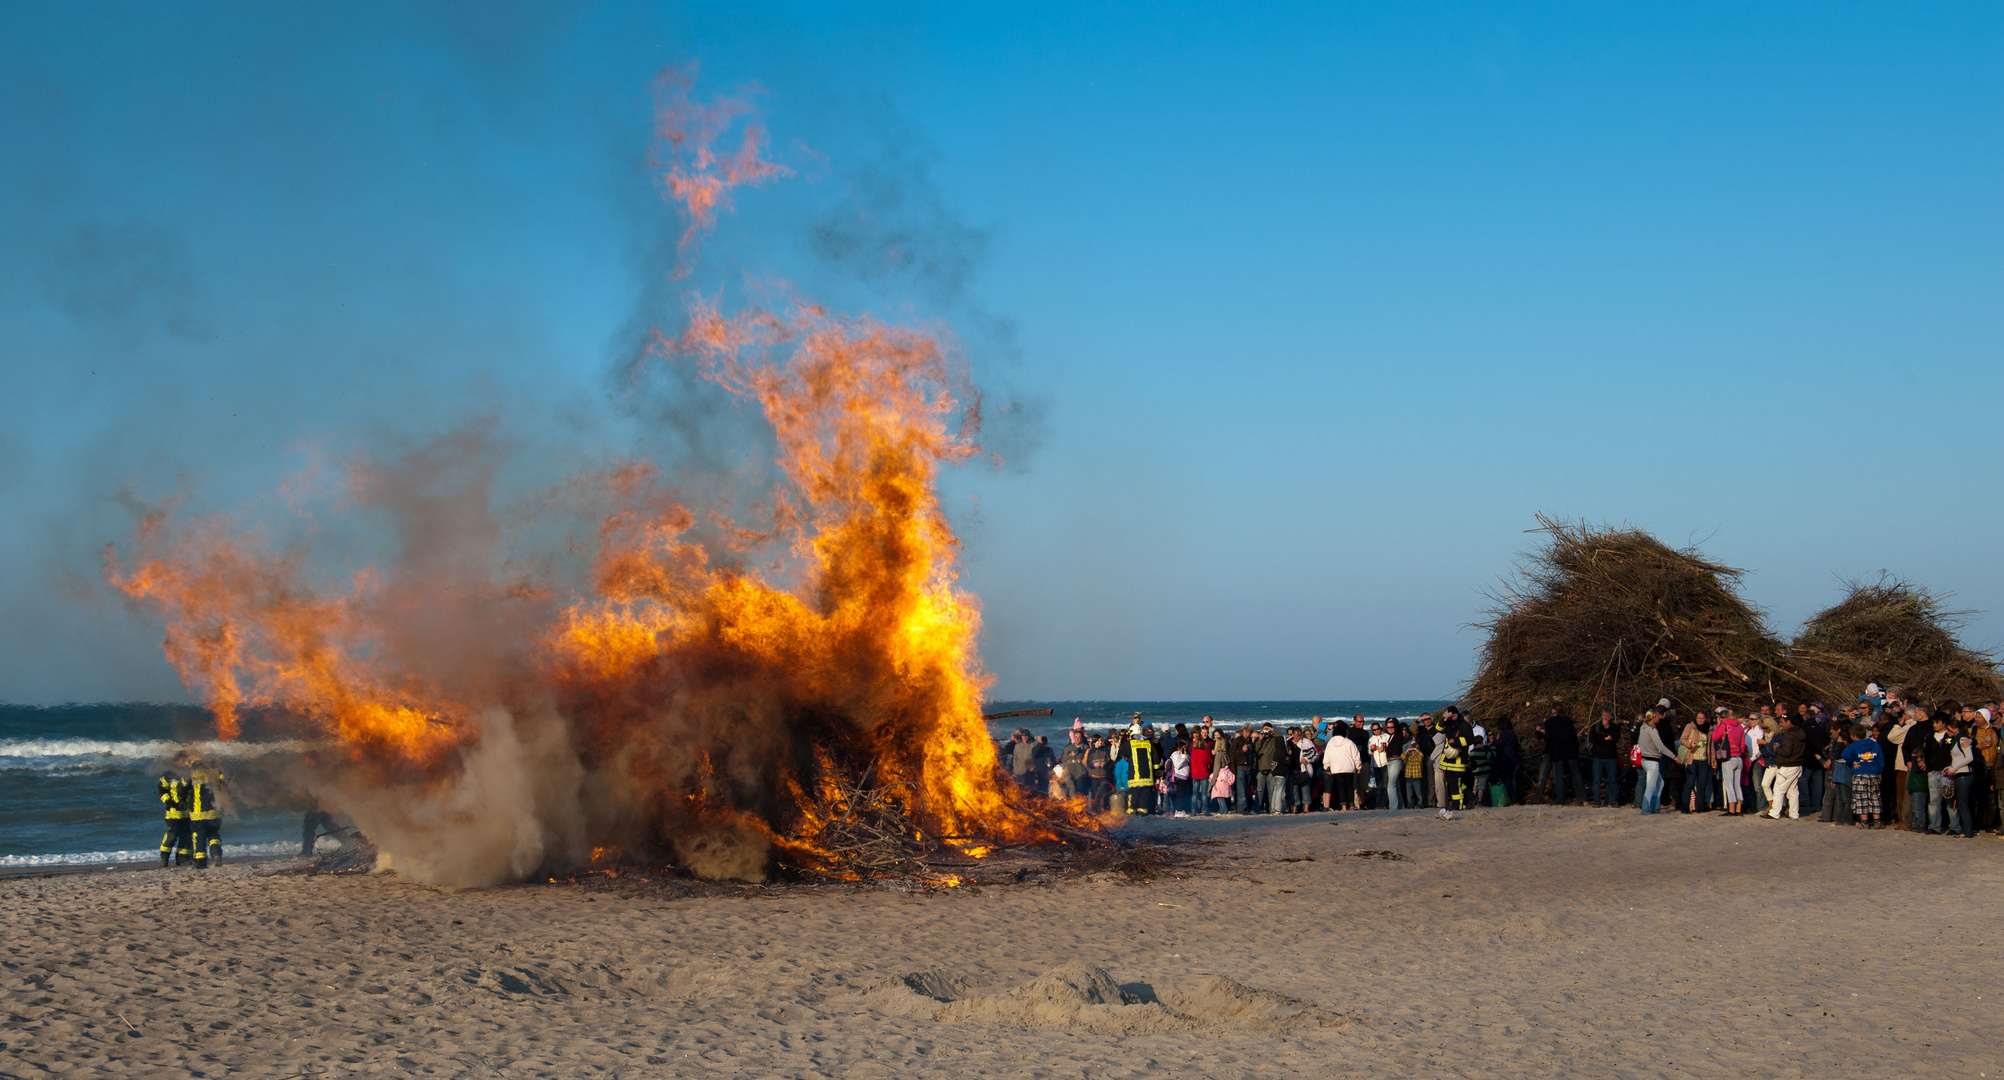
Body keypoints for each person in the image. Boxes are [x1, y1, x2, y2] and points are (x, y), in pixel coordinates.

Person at [1841, 722, 1884, 827]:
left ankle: (1864, 822)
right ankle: (1877, 821)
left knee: (1861, 797)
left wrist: (1853, 762)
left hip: (1860, 773)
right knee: (1875, 797)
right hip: (1873, 773)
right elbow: (1881, 760)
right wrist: (1879, 771)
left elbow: (1844, 754)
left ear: (1854, 736)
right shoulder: (1875, 744)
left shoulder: (1853, 746)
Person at [188, 758, 228, 867]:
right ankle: (216, 854)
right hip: (214, 812)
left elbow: (183, 790)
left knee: (199, 836)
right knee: (214, 835)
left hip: (198, 813)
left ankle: (200, 862)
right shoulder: (216, 773)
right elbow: (224, 785)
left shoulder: (192, 775)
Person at [1766, 715, 1807, 820]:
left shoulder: (1789, 735)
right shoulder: (1801, 733)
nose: (1780, 725)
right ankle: (1794, 813)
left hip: (1788, 765)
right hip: (1797, 764)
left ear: (1789, 722)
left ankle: (1774, 813)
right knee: (1793, 790)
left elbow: (1786, 752)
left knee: (1779, 789)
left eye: (1782, 722)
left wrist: (1777, 749)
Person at [157, 751, 194, 868]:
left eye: (186, 760)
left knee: (186, 837)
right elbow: (161, 790)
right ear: (175, 762)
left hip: (187, 813)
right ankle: (164, 859)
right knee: (172, 835)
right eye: (182, 760)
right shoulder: (168, 775)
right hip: (173, 813)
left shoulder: (190, 774)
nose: (184, 763)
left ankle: (182, 860)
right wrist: (169, 801)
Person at [1635, 708, 1675, 814]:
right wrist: (1673, 756)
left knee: (1659, 783)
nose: (1659, 717)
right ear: (1653, 717)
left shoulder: (1643, 728)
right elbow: (1660, 746)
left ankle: (1654, 807)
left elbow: (1639, 742)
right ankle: (1645, 809)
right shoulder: (1652, 730)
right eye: (1657, 716)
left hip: (1645, 759)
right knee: (1650, 786)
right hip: (1652, 761)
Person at [1539, 705, 1582, 805]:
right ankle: (1582, 798)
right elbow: (1573, 737)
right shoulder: (1568, 721)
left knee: (1559, 777)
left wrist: (1542, 731)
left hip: (1558, 753)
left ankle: (1560, 800)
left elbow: (1548, 738)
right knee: (1576, 776)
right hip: (1571, 752)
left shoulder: (1550, 722)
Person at [1323, 727, 1362, 812]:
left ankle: (1343, 806)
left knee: (1340, 788)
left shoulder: (1331, 743)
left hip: (1336, 769)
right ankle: (1351, 805)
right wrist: (1358, 766)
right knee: (1349, 786)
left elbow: (1327, 756)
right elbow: (1356, 755)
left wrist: (1326, 767)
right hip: (1349, 768)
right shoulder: (1349, 742)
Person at [1586, 709, 1620, 807]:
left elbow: (1616, 737)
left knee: (1612, 779)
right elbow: (1592, 739)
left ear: (1611, 717)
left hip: (1610, 757)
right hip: (1598, 757)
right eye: (1604, 715)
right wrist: (1604, 739)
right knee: (1596, 780)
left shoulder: (1615, 727)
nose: (1605, 718)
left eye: (1607, 716)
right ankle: (1597, 801)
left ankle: (1612, 801)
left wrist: (1607, 728)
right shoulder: (1596, 727)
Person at [1084, 735, 1114, 813]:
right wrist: (1094, 765)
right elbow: (1088, 763)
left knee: (1103, 794)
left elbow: (1109, 761)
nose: (1100, 742)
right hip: (1094, 776)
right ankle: (1095, 810)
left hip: (1103, 775)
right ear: (1094, 742)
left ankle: (1103, 810)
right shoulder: (1091, 751)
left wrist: (1105, 763)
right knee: (1094, 794)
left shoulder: (1105, 750)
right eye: (1098, 741)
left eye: (1101, 740)